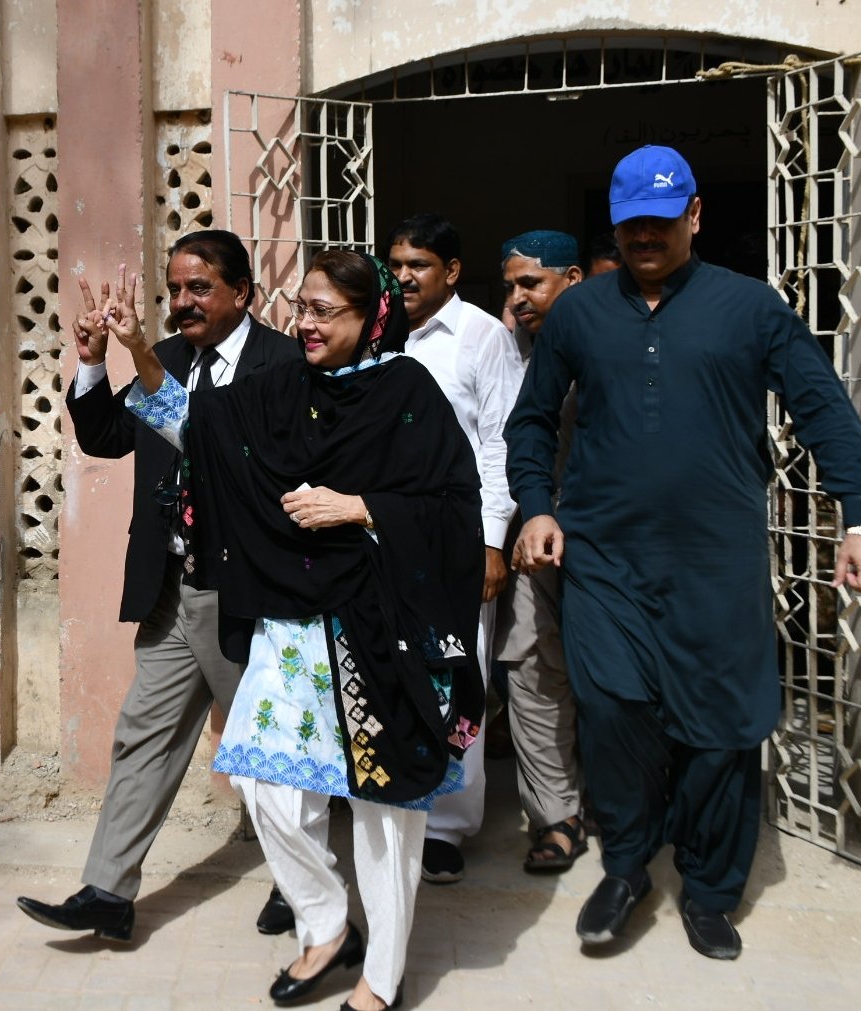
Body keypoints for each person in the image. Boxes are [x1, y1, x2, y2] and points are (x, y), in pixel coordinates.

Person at [504, 145, 861, 960]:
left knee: (720, 729)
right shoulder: (577, 313)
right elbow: (532, 419)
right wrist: (536, 507)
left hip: (715, 561)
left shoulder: (749, 308)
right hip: (604, 557)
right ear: (614, 224)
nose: (646, 235)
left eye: (661, 219)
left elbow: (822, 409)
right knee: (613, 713)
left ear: (694, 215)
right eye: (631, 223)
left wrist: (860, 518)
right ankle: (627, 865)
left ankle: (709, 889)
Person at [116, 250, 485, 1011]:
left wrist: (363, 506)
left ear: (370, 318)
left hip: (382, 628)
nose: (305, 324)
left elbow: (453, 506)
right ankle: (325, 923)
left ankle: (382, 976)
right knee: (263, 783)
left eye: (326, 312)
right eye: (303, 307)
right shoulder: (279, 389)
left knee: (385, 811)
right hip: (293, 624)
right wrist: (137, 352)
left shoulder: (407, 393)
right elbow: (197, 429)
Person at [16, 230, 300, 942]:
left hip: (246, 594)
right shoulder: (168, 357)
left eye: (199, 287)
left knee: (271, 751)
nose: (182, 303)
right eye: (174, 289)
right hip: (171, 587)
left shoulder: (281, 364)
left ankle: (305, 887)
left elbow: (206, 438)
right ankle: (107, 891)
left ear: (244, 293)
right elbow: (108, 436)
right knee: (142, 736)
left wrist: (138, 355)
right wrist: (89, 362)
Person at [387, 213, 522, 884]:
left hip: (455, 538)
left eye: (417, 264)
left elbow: (499, 439)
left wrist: (493, 540)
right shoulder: (378, 328)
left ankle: (445, 825)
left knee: (456, 680)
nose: (404, 276)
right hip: (379, 531)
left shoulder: (482, 336)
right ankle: (394, 801)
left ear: (451, 271)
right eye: (397, 263)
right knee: (390, 672)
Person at [493, 230, 587, 875]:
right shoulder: (505, 349)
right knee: (530, 668)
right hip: (528, 540)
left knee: (613, 675)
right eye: (511, 287)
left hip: (608, 542)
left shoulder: (618, 342)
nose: (519, 298)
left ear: (573, 279)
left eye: (531, 283)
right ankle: (557, 817)